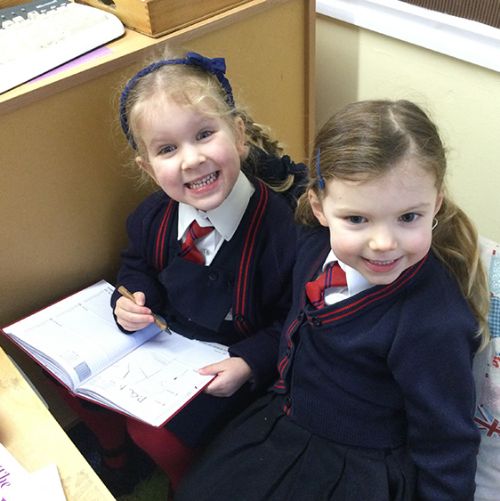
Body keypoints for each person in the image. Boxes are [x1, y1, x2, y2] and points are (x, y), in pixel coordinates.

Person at [175, 99, 491, 501]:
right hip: (280, 423)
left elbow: (446, 444)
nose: (383, 243)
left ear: (436, 204)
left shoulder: (433, 321)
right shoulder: (310, 244)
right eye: (357, 219)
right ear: (319, 208)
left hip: (356, 470)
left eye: (409, 217)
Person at [56, 47, 306, 496]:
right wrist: (132, 297)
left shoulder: (280, 231)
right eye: (168, 149)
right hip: (162, 343)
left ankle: (187, 484)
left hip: (230, 364)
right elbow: (136, 266)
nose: (191, 160)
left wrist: (249, 362)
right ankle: (117, 458)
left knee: (156, 434)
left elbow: (295, 318)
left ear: (239, 135)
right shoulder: (152, 216)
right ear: (148, 168)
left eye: (204, 134)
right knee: (70, 378)